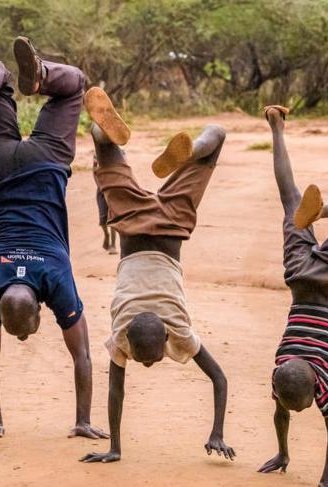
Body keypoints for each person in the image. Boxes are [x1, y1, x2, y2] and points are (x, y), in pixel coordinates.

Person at [0, 34, 107, 441]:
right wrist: (81, 423)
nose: (22, 337)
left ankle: (40, 76)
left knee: (74, 85)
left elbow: (83, 356)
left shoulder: (56, 279)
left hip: (45, 165)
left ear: (41, 312)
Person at [79, 87, 235, 463]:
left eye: (144, 360)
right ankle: (104, 140)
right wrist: (215, 431)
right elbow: (217, 378)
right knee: (109, 167)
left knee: (219, 137)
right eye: (149, 359)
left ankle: (193, 148)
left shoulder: (168, 330)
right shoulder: (126, 332)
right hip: (131, 226)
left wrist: (116, 448)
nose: (146, 364)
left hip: (171, 226)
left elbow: (218, 379)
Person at [257, 105, 328, 487]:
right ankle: (277, 127)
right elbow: (282, 411)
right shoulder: (283, 369)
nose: (301, 411)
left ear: (313, 392)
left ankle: (327, 210)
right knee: (289, 199)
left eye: (301, 406)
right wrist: (287, 455)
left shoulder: (319, 384)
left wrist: (325, 479)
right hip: (300, 280)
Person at [95, 157, 117, 254]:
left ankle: (113, 245)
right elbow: (94, 171)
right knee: (103, 218)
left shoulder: (119, 153)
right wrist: (100, 186)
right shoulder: (98, 153)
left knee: (112, 218)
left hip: (113, 190)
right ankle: (106, 235)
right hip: (102, 190)